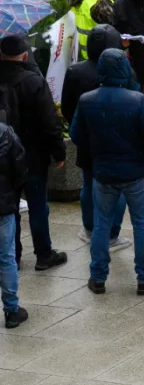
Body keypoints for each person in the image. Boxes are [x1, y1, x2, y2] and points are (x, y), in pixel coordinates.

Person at [69, 49, 144, 296]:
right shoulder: (137, 100)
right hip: (135, 172)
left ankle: (97, 277)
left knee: (101, 224)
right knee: (142, 224)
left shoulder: (87, 100)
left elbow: (75, 135)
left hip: (103, 173)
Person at [0, 34, 65, 271]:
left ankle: (11, 255)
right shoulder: (34, 81)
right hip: (32, 156)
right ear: (25, 56)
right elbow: (49, 122)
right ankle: (43, 254)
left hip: (3, 157)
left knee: (9, 208)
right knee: (38, 205)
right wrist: (58, 152)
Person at [0, 105, 25, 326]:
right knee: (6, 257)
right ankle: (11, 310)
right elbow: (19, 167)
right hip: (3, 204)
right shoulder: (5, 132)